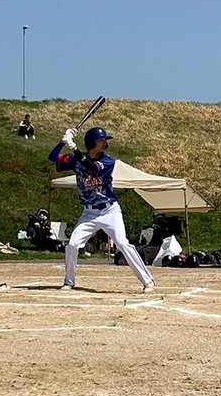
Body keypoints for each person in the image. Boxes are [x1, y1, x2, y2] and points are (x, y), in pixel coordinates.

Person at [48, 125, 155, 292]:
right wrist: (63, 141)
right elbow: (52, 157)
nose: (105, 143)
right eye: (101, 140)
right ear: (92, 143)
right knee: (73, 244)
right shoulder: (76, 159)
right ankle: (69, 282)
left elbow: (91, 167)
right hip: (89, 213)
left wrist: (73, 146)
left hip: (109, 211)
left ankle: (148, 281)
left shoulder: (108, 161)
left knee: (122, 243)